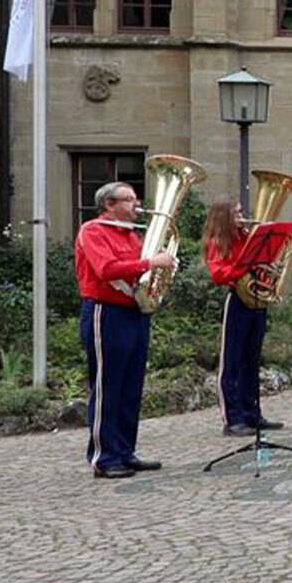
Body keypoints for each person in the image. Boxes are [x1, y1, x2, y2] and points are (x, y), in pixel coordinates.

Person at [75, 181, 176, 478]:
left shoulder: (132, 234)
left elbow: (141, 272)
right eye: (129, 199)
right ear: (109, 204)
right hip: (106, 312)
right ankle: (104, 458)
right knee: (108, 386)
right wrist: (150, 262)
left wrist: (162, 269)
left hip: (134, 311)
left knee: (131, 386)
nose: (137, 204)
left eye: (135, 199)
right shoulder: (93, 231)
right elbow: (106, 269)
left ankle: (124, 451)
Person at [200, 200, 282, 437]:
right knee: (232, 362)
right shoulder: (219, 243)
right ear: (224, 217)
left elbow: (263, 262)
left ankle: (252, 413)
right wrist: (244, 267)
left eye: (240, 210)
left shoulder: (247, 237)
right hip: (237, 301)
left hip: (256, 300)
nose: (241, 215)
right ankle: (232, 418)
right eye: (235, 212)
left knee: (252, 361)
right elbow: (218, 274)